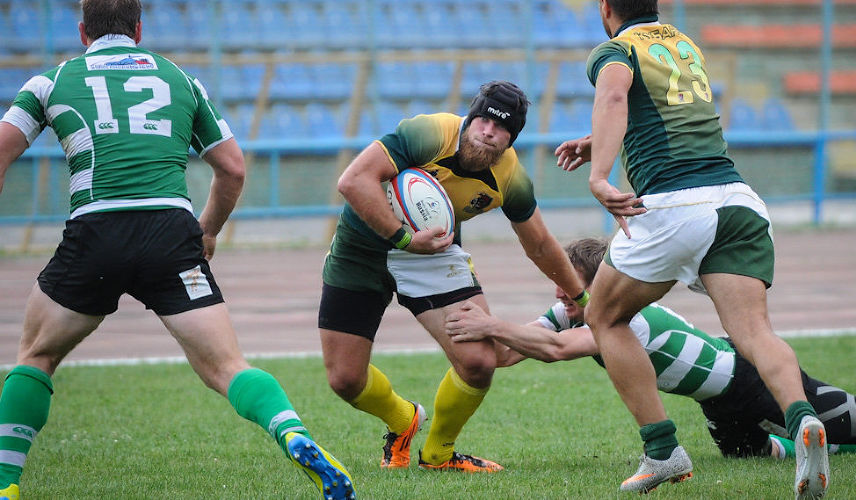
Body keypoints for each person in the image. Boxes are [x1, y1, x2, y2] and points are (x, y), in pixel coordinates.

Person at [0, 2, 353, 499]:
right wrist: (206, 232)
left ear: (82, 32)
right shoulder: (181, 80)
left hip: (96, 232)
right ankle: (292, 432)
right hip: (171, 234)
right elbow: (232, 168)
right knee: (227, 366)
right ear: (139, 29)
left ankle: (5, 484)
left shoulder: (49, 82)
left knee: (36, 356)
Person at [553, 1, 830, 497]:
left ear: (606, 8)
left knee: (604, 318)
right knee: (754, 332)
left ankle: (663, 452)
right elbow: (665, 115)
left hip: (674, 204)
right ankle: (803, 418)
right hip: (738, 201)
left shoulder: (615, 50)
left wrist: (599, 175)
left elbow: (615, 96)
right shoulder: (683, 44)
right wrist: (598, 141)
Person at [319, 80, 587, 472]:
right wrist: (403, 238)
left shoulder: (510, 177)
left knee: (479, 361)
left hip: (434, 255)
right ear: (471, 117)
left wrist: (582, 298)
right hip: (362, 248)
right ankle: (403, 419)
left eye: (502, 128)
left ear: (512, 138)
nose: (488, 131)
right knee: (345, 379)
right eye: (484, 120)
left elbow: (540, 243)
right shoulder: (428, 133)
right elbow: (353, 181)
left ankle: (439, 454)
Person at [446, 238, 856, 465]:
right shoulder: (573, 309)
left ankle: (854, 431)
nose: (560, 294)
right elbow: (509, 354)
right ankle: (839, 442)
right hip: (717, 403)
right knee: (748, 457)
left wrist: (490, 324)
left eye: (570, 286)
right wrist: (466, 331)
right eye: (558, 284)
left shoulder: (625, 317)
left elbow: (557, 349)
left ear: (598, 288)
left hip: (750, 380)